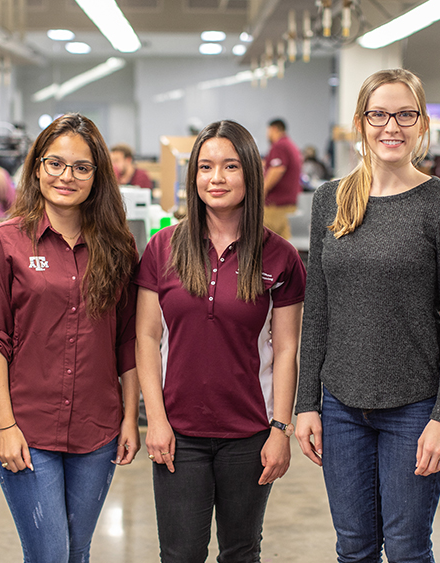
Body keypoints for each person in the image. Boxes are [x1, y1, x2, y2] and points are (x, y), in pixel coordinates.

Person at [295, 68, 440, 562]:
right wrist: (306, 402)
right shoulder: (330, 199)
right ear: (361, 122)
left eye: (404, 114)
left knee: (406, 548)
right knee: (353, 547)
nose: (390, 126)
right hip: (340, 406)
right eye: (378, 114)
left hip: (415, 409)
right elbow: (318, 309)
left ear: (421, 124)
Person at [134, 120, 306, 562]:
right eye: (206, 167)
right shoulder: (163, 248)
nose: (217, 178)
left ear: (250, 173)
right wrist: (155, 419)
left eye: (230, 166)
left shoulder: (280, 255)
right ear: (193, 177)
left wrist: (281, 429)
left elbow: (287, 349)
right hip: (178, 434)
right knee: (179, 554)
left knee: (241, 551)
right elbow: (146, 335)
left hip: (249, 434)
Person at [0, 113, 140, 562]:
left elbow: (127, 340)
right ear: (37, 167)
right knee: (49, 554)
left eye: (81, 167)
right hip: (28, 427)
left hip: (98, 428)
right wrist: (4, 425)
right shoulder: (5, 242)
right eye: (55, 163)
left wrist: (129, 419)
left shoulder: (119, 246)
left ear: (97, 176)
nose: (66, 176)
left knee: (77, 553)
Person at [262, 118, 303, 239]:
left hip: (276, 207)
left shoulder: (279, 146)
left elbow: (277, 169)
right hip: (289, 205)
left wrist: (262, 191)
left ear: (274, 129)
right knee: (285, 246)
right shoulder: (290, 145)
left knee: (263, 244)